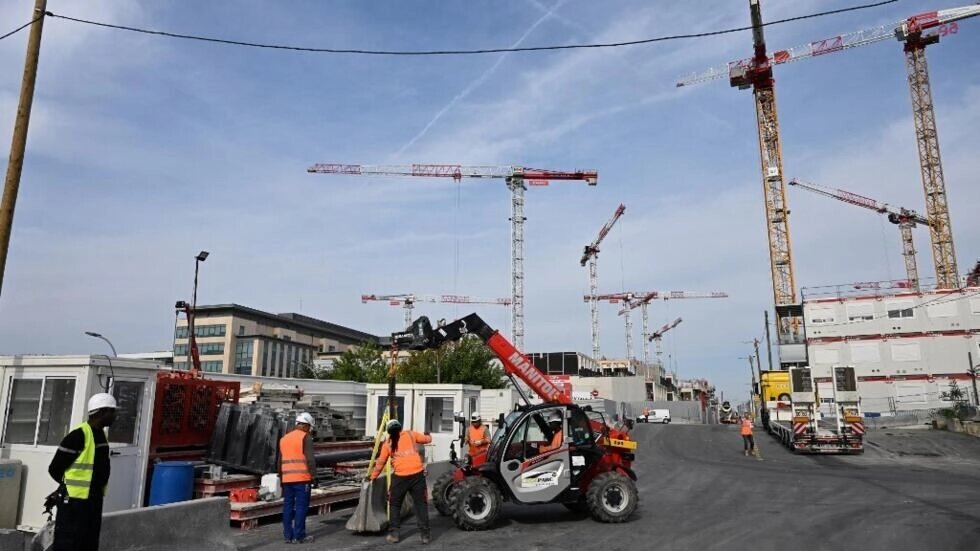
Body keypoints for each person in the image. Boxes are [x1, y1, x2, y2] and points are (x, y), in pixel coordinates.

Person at [48, 392, 117, 551]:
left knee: (89, 541)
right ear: (100, 412)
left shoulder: (100, 435)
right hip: (74, 501)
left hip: (92, 499)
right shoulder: (78, 436)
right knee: (69, 542)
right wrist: (66, 487)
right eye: (111, 411)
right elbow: (54, 469)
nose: (114, 415)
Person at [370, 419, 432, 545]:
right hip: (417, 475)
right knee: (421, 505)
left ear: (388, 431)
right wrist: (428, 435)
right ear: (400, 427)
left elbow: (380, 463)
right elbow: (427, 440)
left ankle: (394, 534)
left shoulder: (388, 443)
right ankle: (425, 535)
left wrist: (372, 477)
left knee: (395, 504)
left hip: (400, 478)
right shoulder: (410, 434)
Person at [279, 412, 318, 544]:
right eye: (310, 427)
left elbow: (280, 461)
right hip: (302, 479)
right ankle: (299, 536)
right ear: (306, 425)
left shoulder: (284, 438)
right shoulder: (305, 437)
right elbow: (310, 459)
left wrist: (281, 477)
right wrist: (314, 476)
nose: (310, 430)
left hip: (287, 479)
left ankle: (288, 536)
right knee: (301, 507)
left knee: (287, 506)